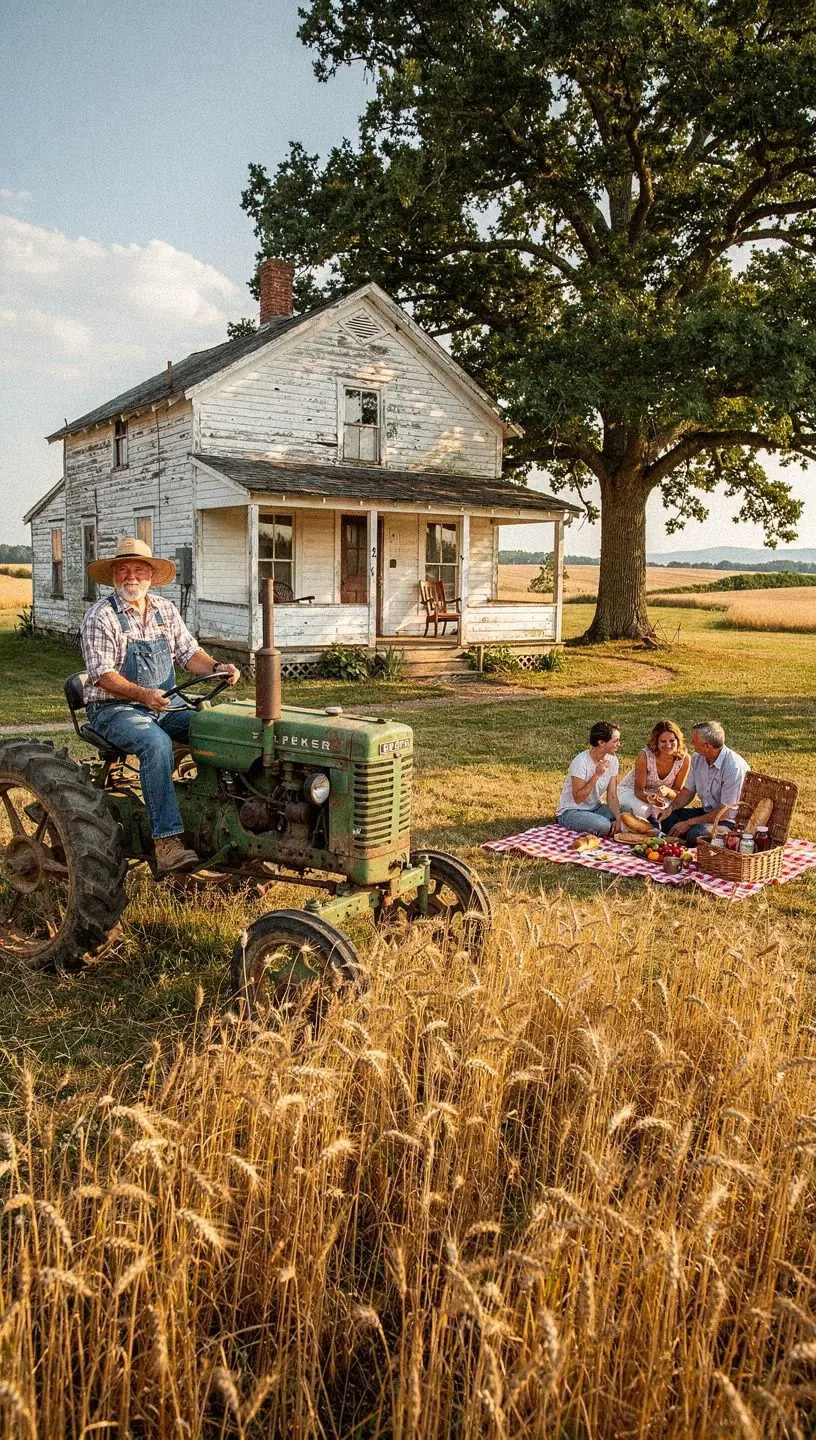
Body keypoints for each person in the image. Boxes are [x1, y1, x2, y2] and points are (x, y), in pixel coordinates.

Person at [80, 536, 241, 875]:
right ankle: (166, 842)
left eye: (139, 570)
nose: (131, 576)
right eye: (124, 570)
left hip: (163, 703)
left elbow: (189, 653)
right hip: (113, 709)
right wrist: (143, 695)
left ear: (151, 576)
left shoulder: (164, 609)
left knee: (216, 729)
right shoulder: (100, 616)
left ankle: (230, 819)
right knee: (156, 744)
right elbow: (103, 676)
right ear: (113, 576)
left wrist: (217, 667)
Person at [659, 720, 749, 842]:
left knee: (696, 834)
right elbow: (687, 792)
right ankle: (681, 841)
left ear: (707, 746)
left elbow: (725, 813)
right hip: (707, 813)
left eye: (694, 741)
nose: (692, 743)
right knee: (664, 820)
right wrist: (670, 809)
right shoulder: (697, 759)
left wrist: (689, 823)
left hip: (728, 822)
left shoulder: (734, 767)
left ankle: (686, 842)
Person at [556, 720, 624, 837]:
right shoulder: (581, 762)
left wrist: (618, 818)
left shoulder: (613, 759)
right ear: (601, 742)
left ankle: (611, 825)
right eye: (615, 741)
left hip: (595, 808)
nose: (619, 744)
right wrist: (596, 775)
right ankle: (607, 826)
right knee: (603, 826)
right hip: (571, 811)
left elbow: (612, 795)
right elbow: (578, 798)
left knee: (626, 812)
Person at [617, 720, 691, 822]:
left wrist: (668, 791)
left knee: (671, 812)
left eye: (672, 740)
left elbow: (677, 793)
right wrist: (650, 798)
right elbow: (638, 791)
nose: (668, 745)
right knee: (646, 812)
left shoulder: (684, 759)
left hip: (660, 797)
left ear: (678, 740)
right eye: (663, 741)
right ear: (656, 742)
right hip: (633, 792)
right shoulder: (645, 756)